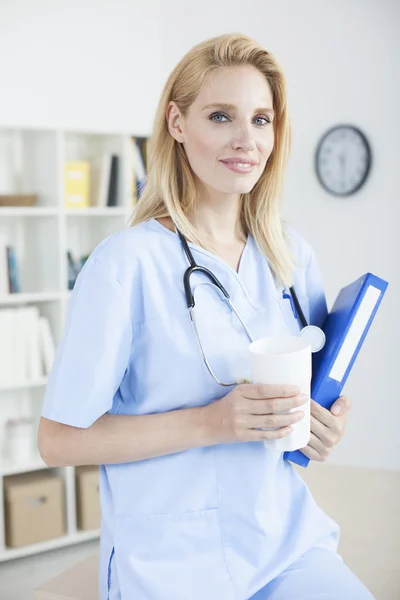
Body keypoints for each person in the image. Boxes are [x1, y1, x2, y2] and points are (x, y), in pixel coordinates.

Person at [38, 33, 373, 600]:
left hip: (283, 541)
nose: (247, 140)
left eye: (262, 120)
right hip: (169, 562)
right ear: (176, 122)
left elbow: (310, 401)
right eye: (221, 116)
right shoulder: (126, 265)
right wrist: (211, 423)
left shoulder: (289, 254)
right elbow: (58, 441)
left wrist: (325, 426)